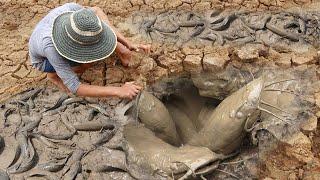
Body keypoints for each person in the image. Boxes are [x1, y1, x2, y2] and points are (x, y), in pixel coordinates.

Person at [28, 3, 150, 99]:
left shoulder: (74, 11)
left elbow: (99, 17)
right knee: (88, 63)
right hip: (43, 61)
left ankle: (121, 50)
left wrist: (127, 43)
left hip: (55, 39)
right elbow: (75, 86)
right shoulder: (50, 47)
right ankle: (54, 75)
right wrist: (119, 91)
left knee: (97, 15)